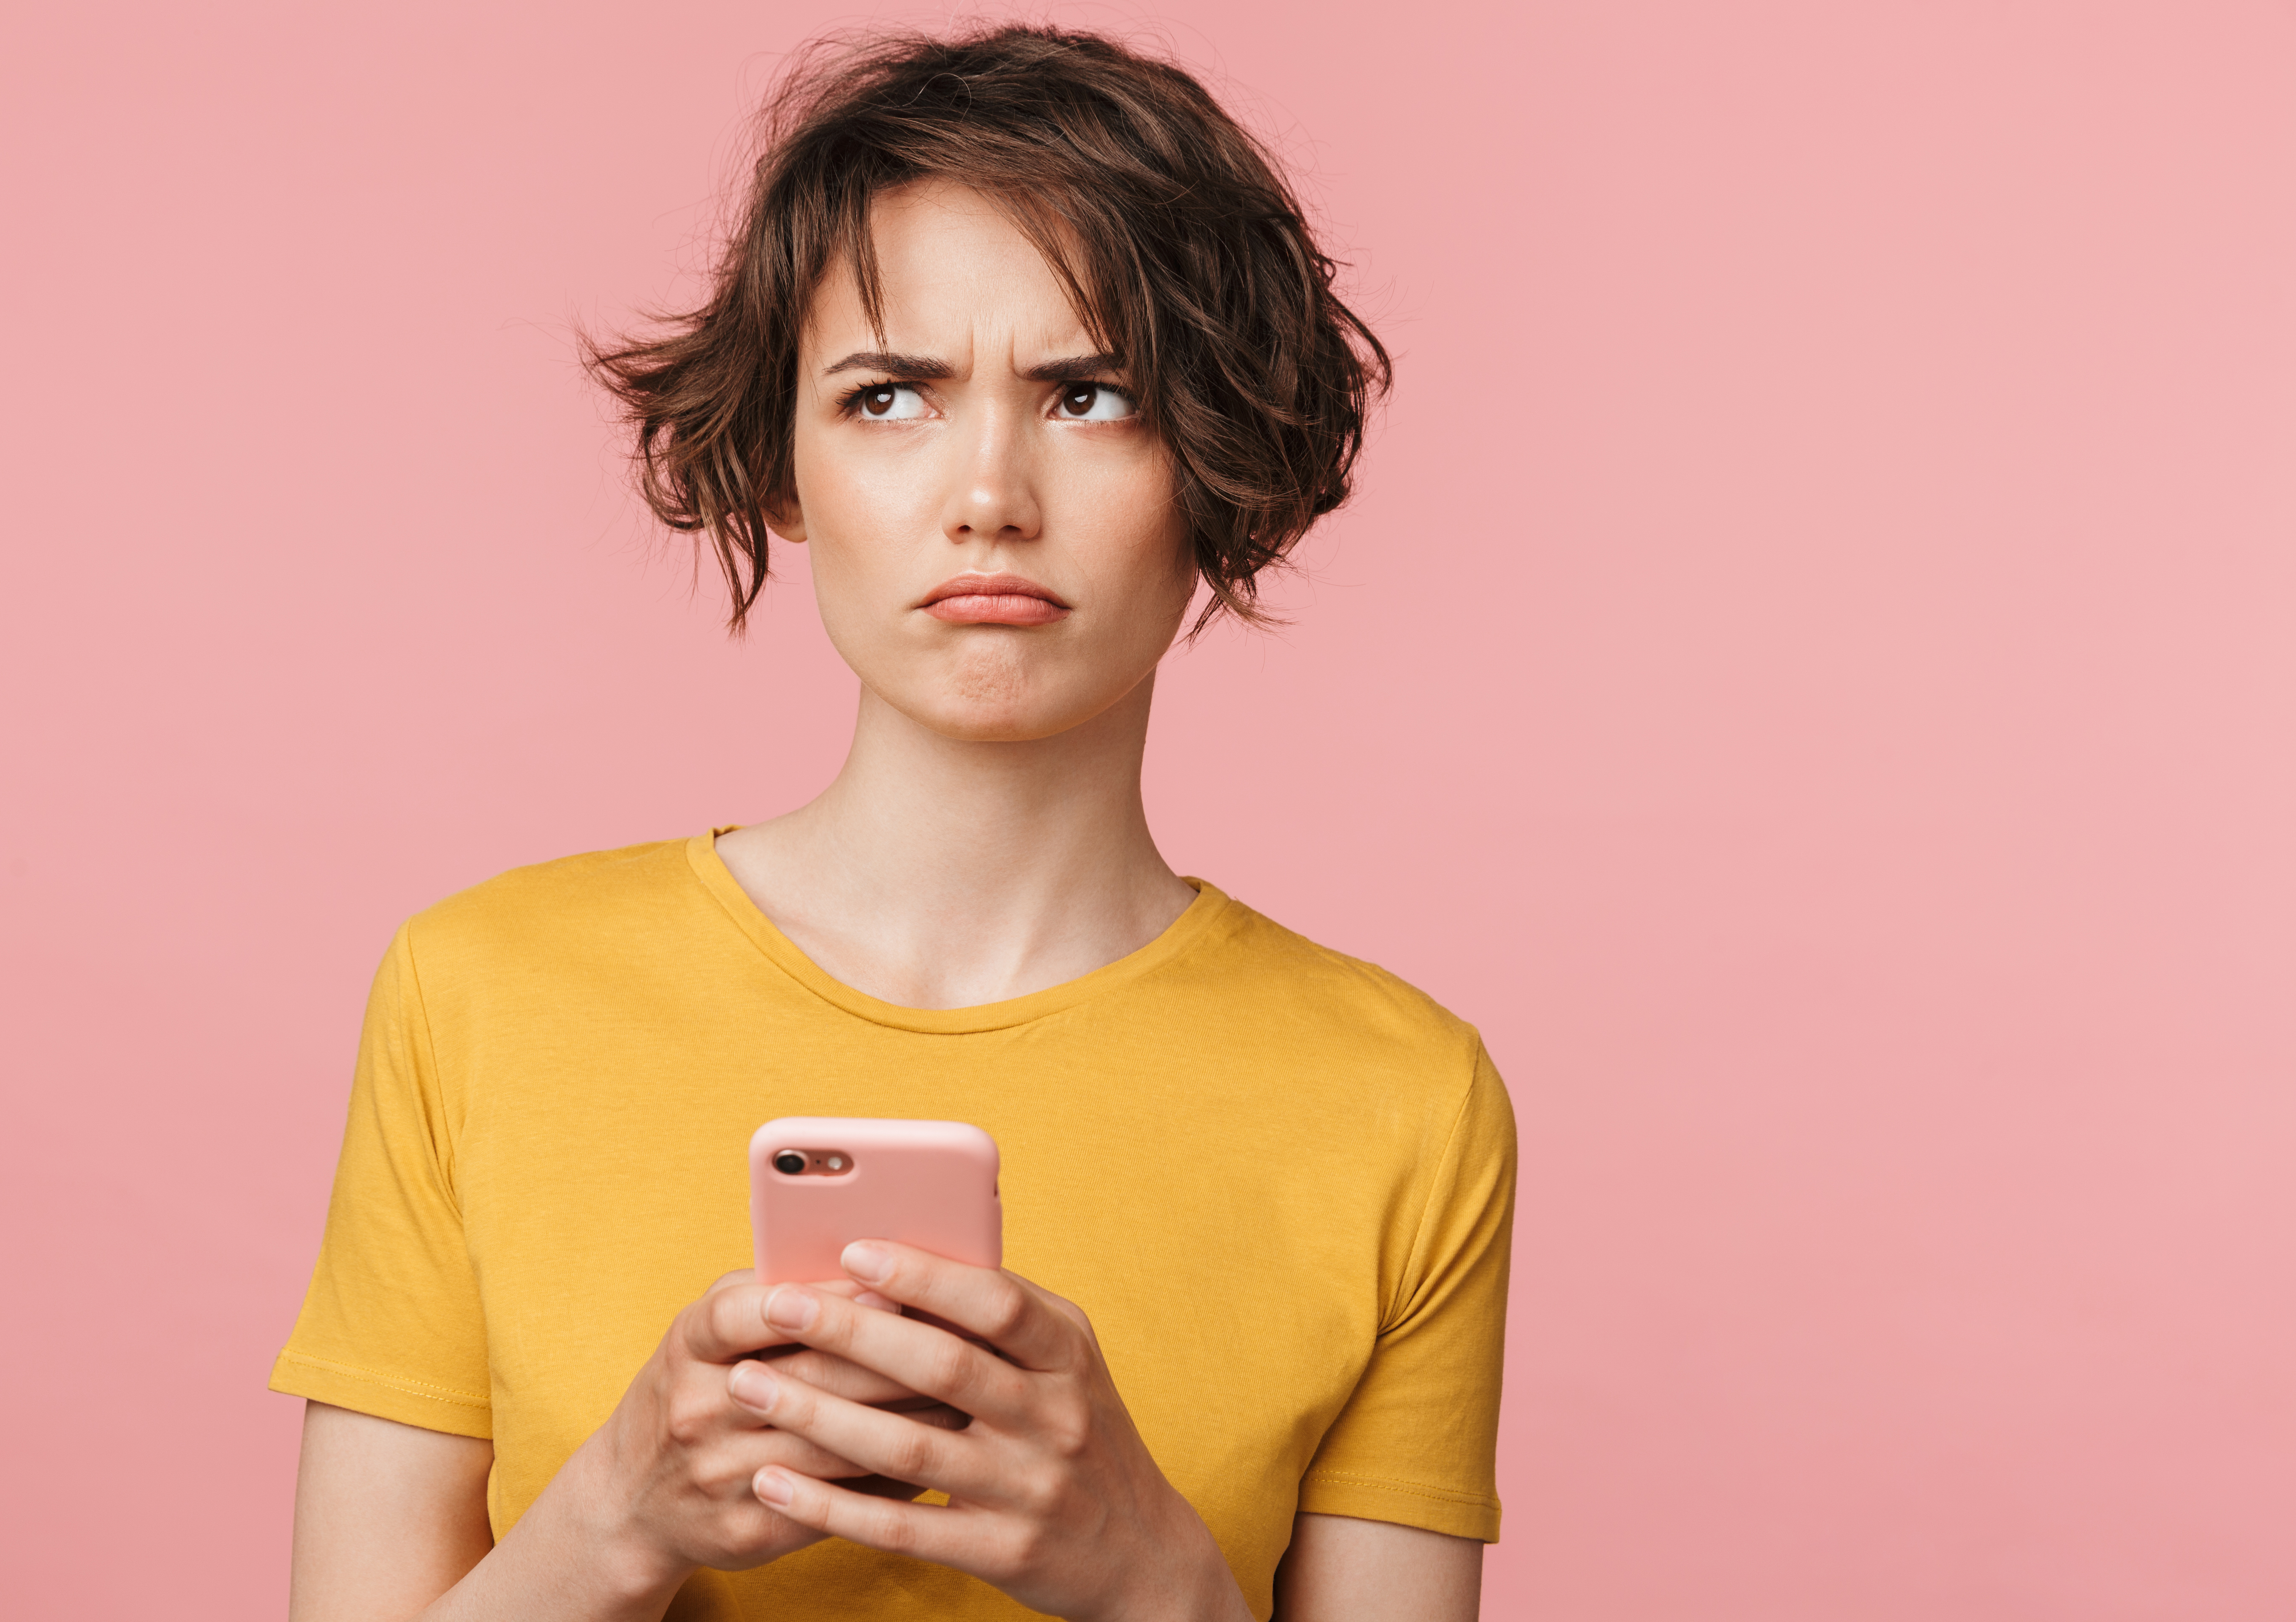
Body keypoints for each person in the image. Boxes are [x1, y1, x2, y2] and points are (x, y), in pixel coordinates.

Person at [273, 24, 1516, 1622]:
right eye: (890, 396)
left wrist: (1153, 1579)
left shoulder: (1400, 1101)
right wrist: (616, 1519)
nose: (988, 491)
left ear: (1220, 458)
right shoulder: (479, 992)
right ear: (782, 463)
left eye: (1092, 394)